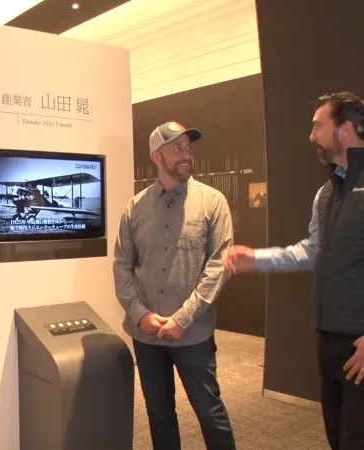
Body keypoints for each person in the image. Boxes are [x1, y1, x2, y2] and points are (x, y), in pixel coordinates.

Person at [223, 91, 364, 450]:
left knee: (361, 441)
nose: (311, 136)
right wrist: (257, 259)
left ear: (345, 129)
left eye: (317, 126)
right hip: (330, 338)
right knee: (338, 437)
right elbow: (311, 252)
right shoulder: (325, 193)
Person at [113, 121, 236, 450]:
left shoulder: (212, 202)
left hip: (193, 334)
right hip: (147, 335)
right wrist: (141, 315)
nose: (186, 155)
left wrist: (183, 318)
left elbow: (219, 265)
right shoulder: (135, 208)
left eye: (189, 148)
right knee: (159, 413)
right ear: (157, 156)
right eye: (176, 148)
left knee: (210, 413)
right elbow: (122, 266)